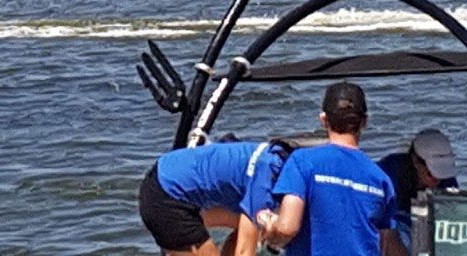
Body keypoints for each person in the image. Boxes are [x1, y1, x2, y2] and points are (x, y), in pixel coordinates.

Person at [259, 81, 405, 256]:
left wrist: (270, 227)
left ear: (323, 120)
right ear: (364, 122)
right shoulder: (380, 179)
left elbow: (287, 228)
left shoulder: (302, 162)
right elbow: (387, 245)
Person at [138, 139, 289, 256]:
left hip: (171, 175)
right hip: (166, 197)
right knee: (257, 224)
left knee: (254, 225)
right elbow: (244, 253)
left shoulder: (275, 158)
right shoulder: (266, 182)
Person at [377, 129, 458, 250]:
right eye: (431, 173)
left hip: (422, 228)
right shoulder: (389, 174)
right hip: (390, 226)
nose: (437, 179)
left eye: (442, 174)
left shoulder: (448, 182)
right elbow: (382, 230)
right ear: (416, 161)